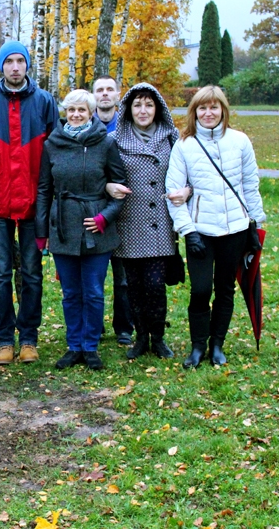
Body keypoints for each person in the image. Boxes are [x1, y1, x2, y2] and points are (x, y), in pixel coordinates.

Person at [166, 85, 266, 368]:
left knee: (225, 288)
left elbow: (250, 184)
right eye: (202, 108)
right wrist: (188, 230)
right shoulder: (185, 145)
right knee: (200, 289)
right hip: (200, 230)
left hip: (234, 228)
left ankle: (217, 344)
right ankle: (197, 346)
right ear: (194, 112)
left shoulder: (240, 141)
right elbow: (174, 192)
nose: (208, 113)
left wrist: (254, 224)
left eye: (214, 107)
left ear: (223, 109)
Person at [0, 41, 58, 366]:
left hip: (33, 203)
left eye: (19, 61)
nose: (14, 67)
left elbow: (54, 151)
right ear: (1, 66)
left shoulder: (44, 103)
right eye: (8, 61)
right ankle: (4, 338)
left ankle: (29, 337)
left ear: (27, 66)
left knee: (31, 273)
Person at [36, 89, 127, 371]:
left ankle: (90, 346)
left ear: (91, 113)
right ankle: (73, 345)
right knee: (70, 293)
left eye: (82, 111)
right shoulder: (53, 143)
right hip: (62, 225)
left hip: (96, 227)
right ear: (65, 113)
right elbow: (43, 189)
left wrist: (105, 217)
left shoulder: (105, 143)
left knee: (94, 292)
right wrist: (42, 230)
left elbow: (120, 188)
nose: (76, 115)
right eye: (71, 110)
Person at [111, 83, 190, 361]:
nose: (142, 110)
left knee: (155, 285)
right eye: (137, 105)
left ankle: (158, 337)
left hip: (160, 224)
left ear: (157, 109)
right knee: (133, 286)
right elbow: (103, 173)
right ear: (128, 110)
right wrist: (109, 186)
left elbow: (188, 175)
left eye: (148, 104)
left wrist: (187, 191)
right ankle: (140, 337)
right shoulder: (116, 140)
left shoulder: (173, 139)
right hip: (129, 223)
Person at [91, 75, 134, 346]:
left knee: (123, 276)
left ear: (118, 94)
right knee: (92, 277)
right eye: (99, 90)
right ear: (93, 96)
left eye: (110, 89)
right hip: (92, 209)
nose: (105, 94)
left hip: (125, 211)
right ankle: (92, 327)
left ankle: (124, 327)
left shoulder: (128, 127)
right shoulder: (83, 124)